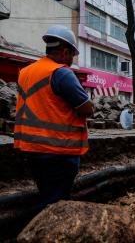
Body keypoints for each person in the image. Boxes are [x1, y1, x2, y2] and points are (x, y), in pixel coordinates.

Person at [14, 25, 94, 209]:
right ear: (65, 52)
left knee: (46, 193)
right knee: (55, 202)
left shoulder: (26, 72)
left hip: (31, 148)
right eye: (72, 56)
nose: (71, 61)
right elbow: (86, 108)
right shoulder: (62, 73)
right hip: (58, 150)